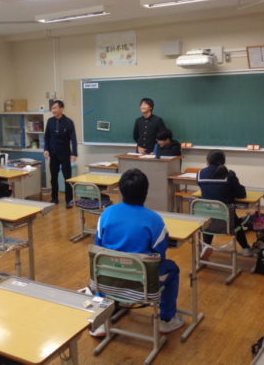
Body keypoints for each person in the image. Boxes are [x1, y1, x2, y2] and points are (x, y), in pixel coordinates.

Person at [93, 168, 183, 336]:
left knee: (101, 265)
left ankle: (100, 319)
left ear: (120, 190)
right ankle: (167, 319)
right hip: (142, 285)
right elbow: (160, 255)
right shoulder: (155, 220)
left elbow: (97, 247)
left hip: (108, 281)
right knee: (172, 268)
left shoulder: (106, 214)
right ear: (145, 192)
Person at [197, 150, 252, 259]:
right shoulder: (229, 174)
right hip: (227, 221)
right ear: (223, 161)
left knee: (210, 220)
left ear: (208, 161)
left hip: (206, 218)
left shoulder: (200, 174)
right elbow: (241, 195)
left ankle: (206, 246)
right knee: (237, 225)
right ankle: (246, 248)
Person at [43, 100, 77, 208]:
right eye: (52, 108)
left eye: (55, 108)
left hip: (65, 153)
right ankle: (54, 198)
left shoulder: (69, 122)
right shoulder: (50, 121)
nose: (53, 110)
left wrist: (74, 153)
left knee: (67, 178)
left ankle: (69, 200)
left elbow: (73, 139)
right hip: (53, 154)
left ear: (61, 109)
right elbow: (46, 137)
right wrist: (46, 149)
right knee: (53, 177)